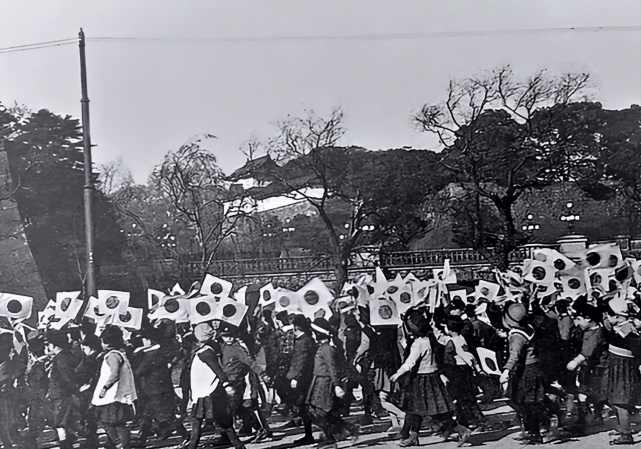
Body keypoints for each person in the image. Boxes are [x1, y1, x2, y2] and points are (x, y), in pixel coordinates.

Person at [390, 308, 471, 447]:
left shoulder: (418, 344)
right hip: (432, 377)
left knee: (433, 412)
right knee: (415, 410)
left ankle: (462, 430)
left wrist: (398, 373)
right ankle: (413, 437)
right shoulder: (429, 339)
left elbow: (410, 362)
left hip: (422, 379)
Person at [180, 320, 246, 449]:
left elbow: (218, 370)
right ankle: (239, 446)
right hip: (203, 392)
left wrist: (226, 384)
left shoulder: (206, 353)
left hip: (208, 393)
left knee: (213, 422)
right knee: (209, 422)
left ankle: (239, 446)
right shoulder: (203, 351)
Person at [305, 317, 359, 449]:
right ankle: (344, 430)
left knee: (321, 412)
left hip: (325, 382)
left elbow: (332, 368)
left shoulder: (327, 349)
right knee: (315, 410)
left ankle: (332, 438)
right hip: (318, 381)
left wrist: (336, 385)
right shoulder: (323, 347)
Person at [499, 303, 546, 445]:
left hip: (525, 371)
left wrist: (506, 370)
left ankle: (535, 433)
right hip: (535, 367)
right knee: (530, 401)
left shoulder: (516, 336)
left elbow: (515, 355)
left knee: (526, 402)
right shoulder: (527, 327)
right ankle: (532, 430)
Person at [92, 325, 137, 449]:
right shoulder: (120, 353)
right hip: (117, 394)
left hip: (112, 395)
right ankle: (120, 444)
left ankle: (120, 444)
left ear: (107, 342)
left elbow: (114, 373)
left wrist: (105, 387)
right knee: (115, 423)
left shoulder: (112, 355)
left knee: (111, 423)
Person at [46, 330, 82, 449]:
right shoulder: (63, 356)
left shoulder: (60, 358)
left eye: (49, 344)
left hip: (62, 395)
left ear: (55, 346)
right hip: (60, 394)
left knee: (60, 422)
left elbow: (67, 378)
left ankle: (64, 445)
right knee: (64, 421)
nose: (48, 347)